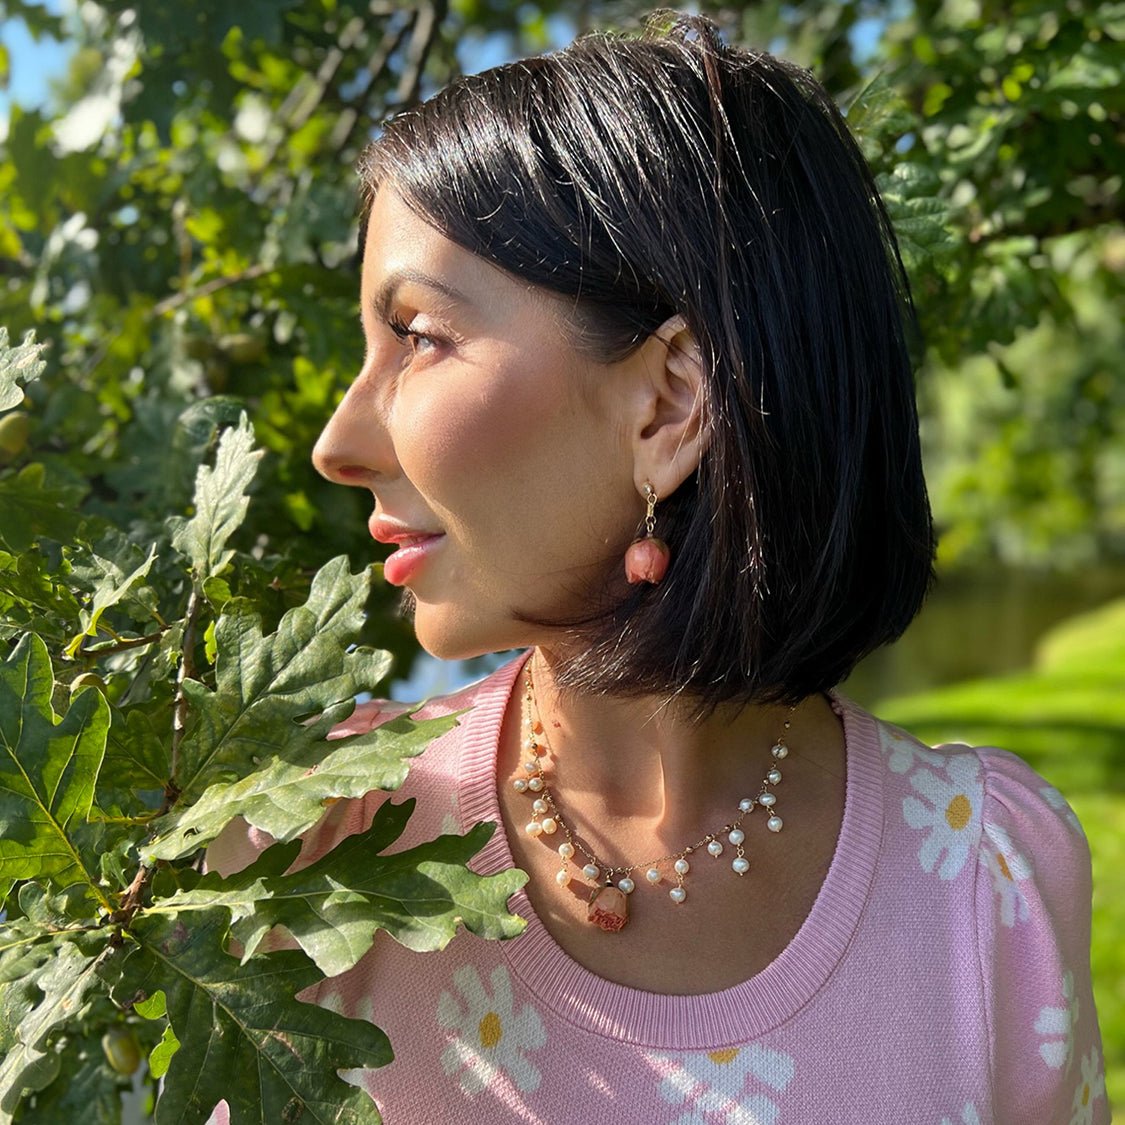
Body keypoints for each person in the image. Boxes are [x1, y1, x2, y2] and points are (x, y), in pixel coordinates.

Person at [209, 13, 1108, 1123]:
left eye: (417, 335)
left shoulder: (987, 890)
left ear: (671, 400)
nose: (337, 441)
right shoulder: (303, 841)